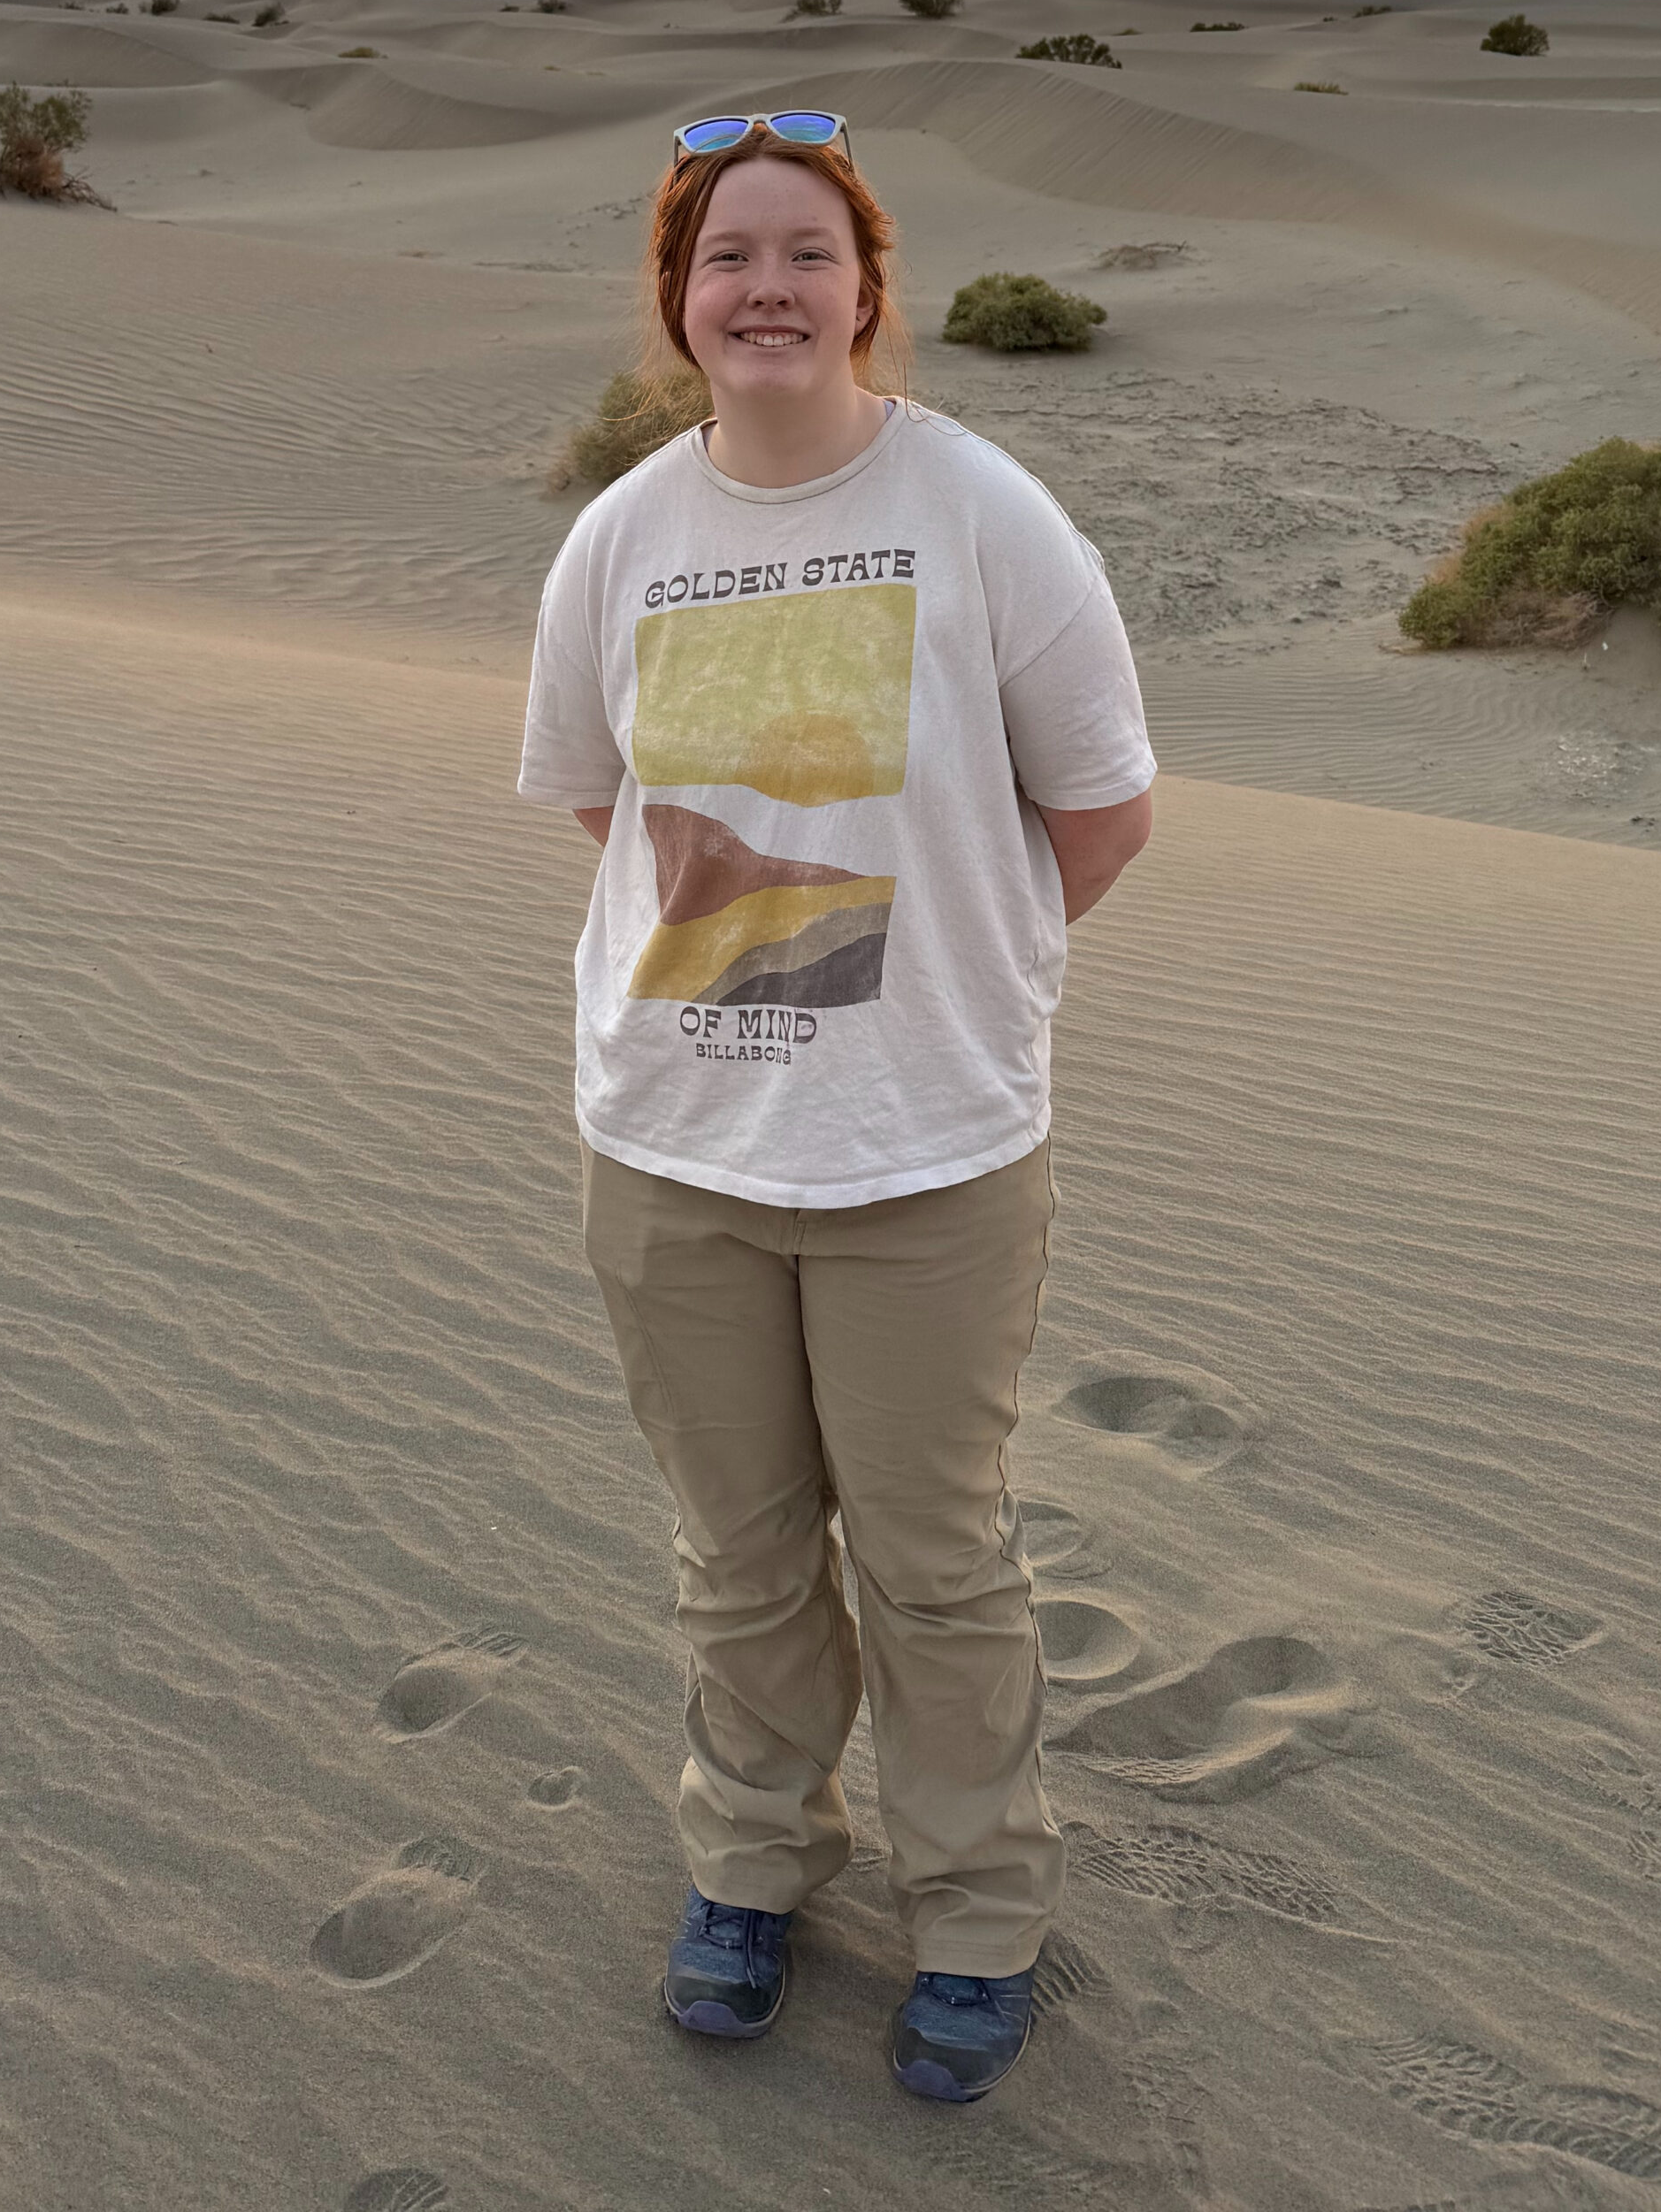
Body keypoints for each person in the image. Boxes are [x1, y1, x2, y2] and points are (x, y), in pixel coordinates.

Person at [519, 106, 1155, 2103]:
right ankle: (754, 1866)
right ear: (679, 302)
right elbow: (608, 813)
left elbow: (1105, 809)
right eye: (729, 258)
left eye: (806, 251)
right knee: (738, 1550)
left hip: (930, 1155)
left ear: (869, 289)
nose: (767, 287)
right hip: (676, 1147)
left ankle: (978, 1913)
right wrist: (760, 976)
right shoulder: (623, 530)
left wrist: (955, 980)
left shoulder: (981, 507)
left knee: (936, 1558)